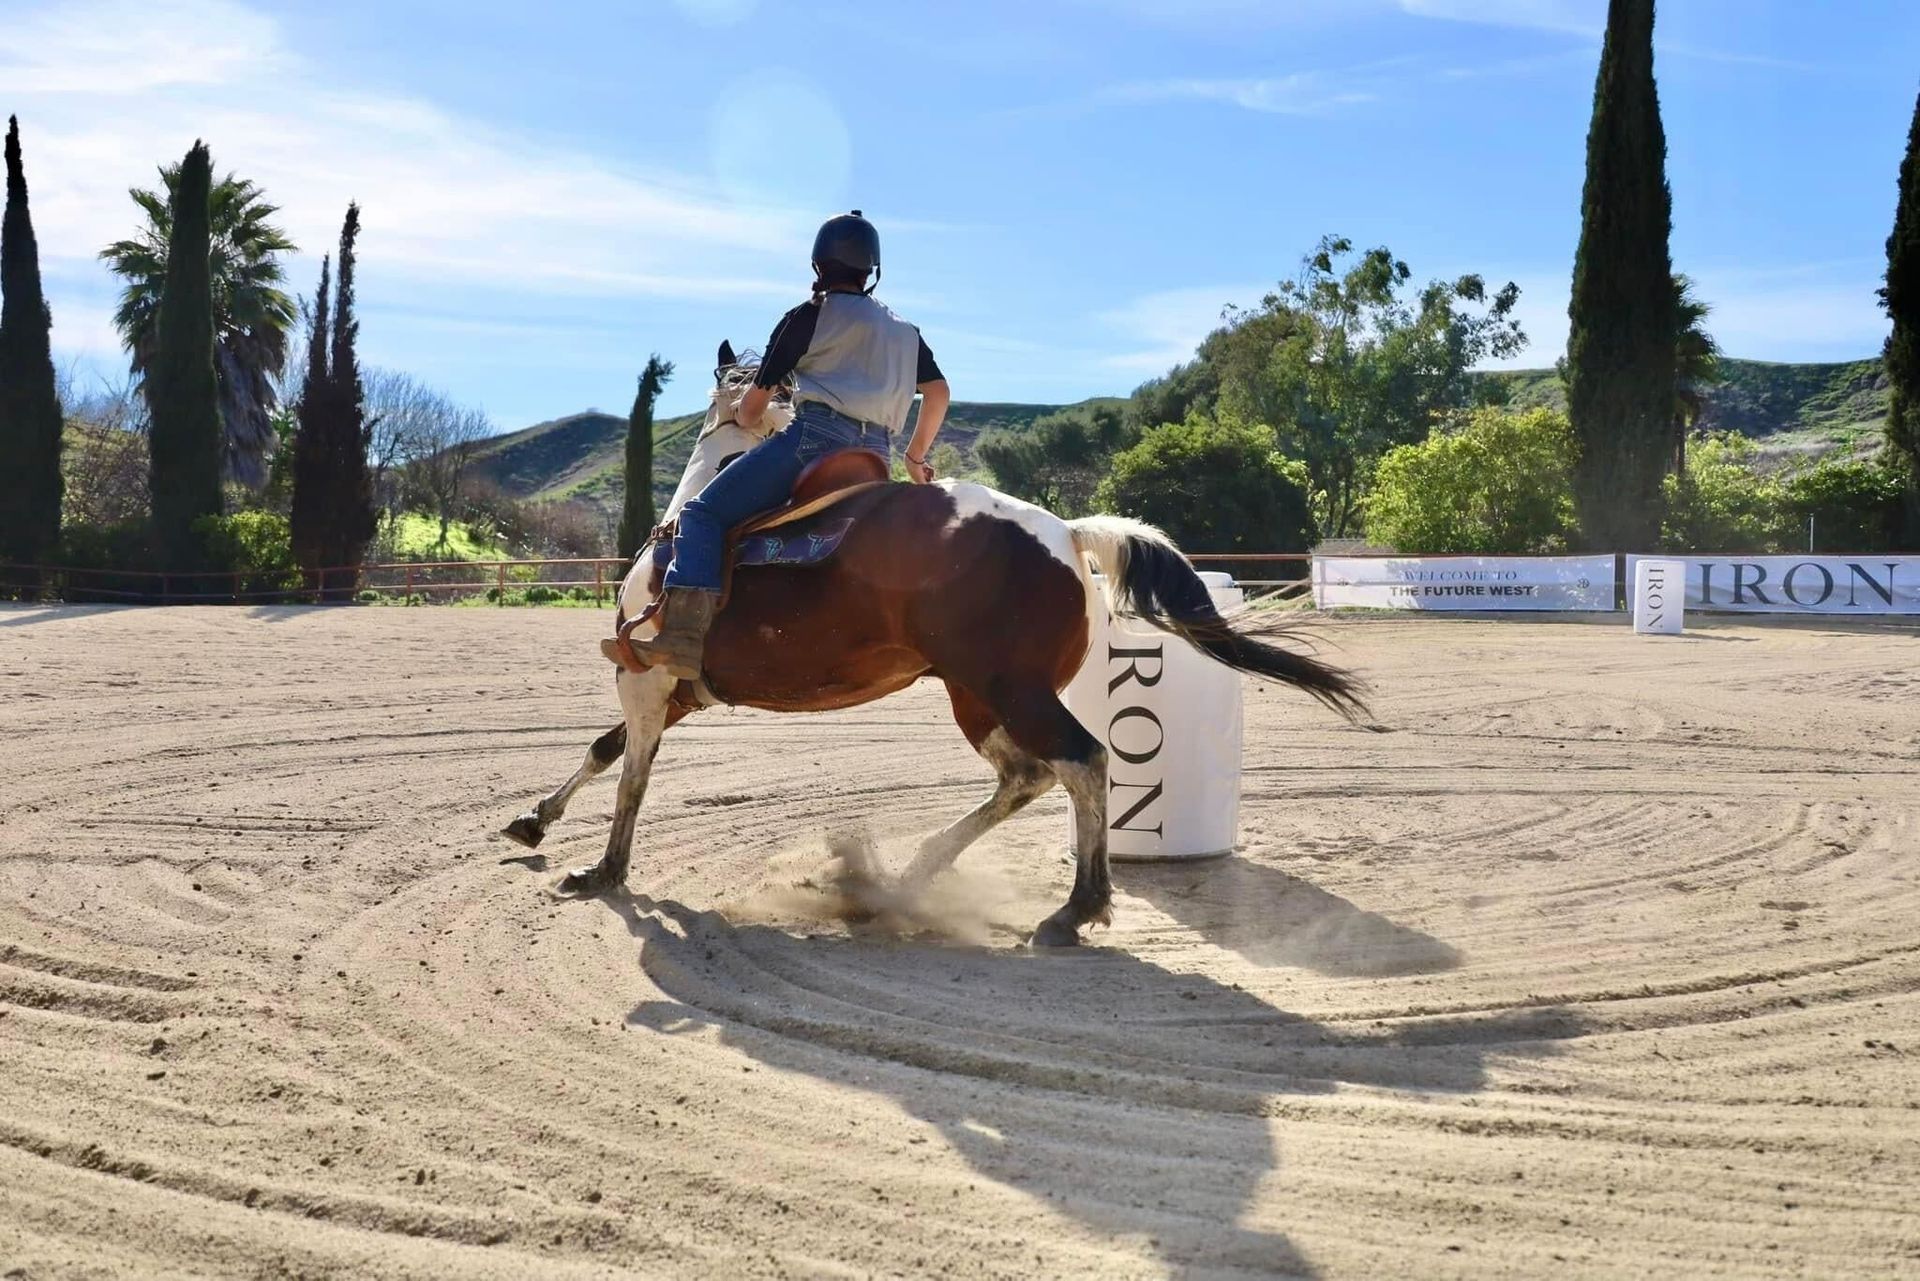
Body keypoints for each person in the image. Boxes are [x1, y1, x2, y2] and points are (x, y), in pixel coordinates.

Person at [625, 210, 951, 679]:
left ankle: (682, 639)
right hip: (874, 459)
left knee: (701, 514)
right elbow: (938, 392)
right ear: (872, 271)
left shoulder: (807, 317)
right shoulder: (905, 332)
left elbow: (754, 411)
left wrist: (741, 412)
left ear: (819, 267)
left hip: (814, 443)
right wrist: (914, 456)